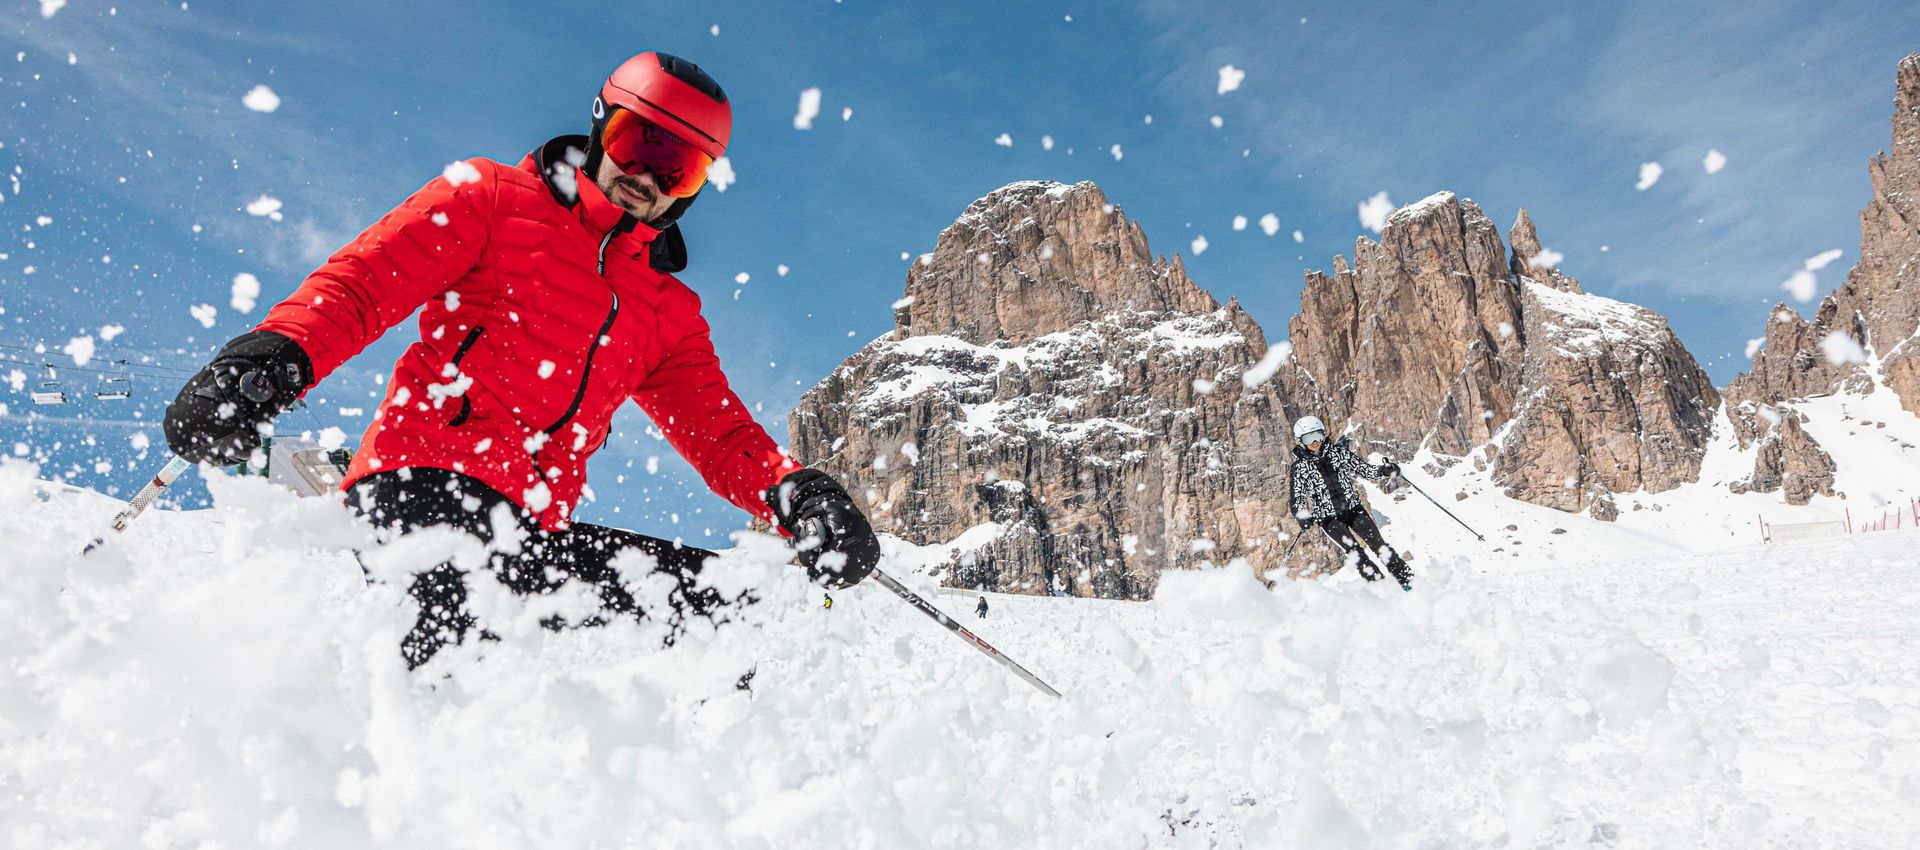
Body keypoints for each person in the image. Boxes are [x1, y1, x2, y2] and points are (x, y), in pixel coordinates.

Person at [163, 51, 881, 668]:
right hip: (420, 489)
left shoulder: (666, 311)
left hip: (532, 532)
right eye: (637, 144)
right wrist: (273, 360)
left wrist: (800, 494)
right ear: (601, 123)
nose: (649, 178)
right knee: (459, 622)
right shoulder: (492, 199)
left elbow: (720, 435)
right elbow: (363, 286)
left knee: (732, 612)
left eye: (679, 169)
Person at [1287, 415, 1413, 590]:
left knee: (1380, 546)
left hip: (1354, 510)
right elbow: (1297, 496)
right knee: (1356, 555)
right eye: (1309, 438)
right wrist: (1301, 515)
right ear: (1300, 441)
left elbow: (1363, 469)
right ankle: (1382, 588)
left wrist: (1383, 470)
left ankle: (1408, 581)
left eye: (1318, 436)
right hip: (1330, 520)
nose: (1315, 442)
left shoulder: (1338, 452)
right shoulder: (1300, 467)